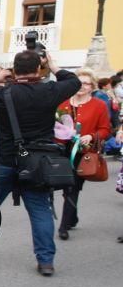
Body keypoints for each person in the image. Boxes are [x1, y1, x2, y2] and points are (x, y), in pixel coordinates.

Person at [0, 51, 80, 273]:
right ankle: (45, 261)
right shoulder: (49, 91)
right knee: (40, 210)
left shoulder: (2, 94)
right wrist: (55, 66)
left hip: (5, 159)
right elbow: (73, 82)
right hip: (37, 161)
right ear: (39, 69)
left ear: (14, 70)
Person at [56, 68, 111, 241]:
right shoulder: (63, 103)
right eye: (79, 83)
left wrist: (91, 136)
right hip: (63, 150)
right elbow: (55, 124)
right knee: (67, 186)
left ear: (92, 86)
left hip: (83, 153)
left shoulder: (99, 105)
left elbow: (105, 130)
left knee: (73, 187)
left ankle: (64, 225)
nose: (82, 87)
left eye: (86, 83)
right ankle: (72, 216)